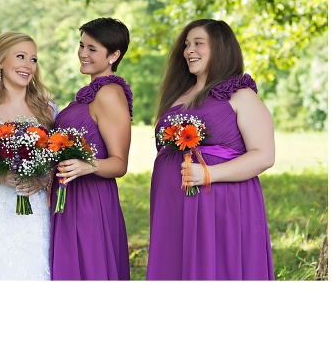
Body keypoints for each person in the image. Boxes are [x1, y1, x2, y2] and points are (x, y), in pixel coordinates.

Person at [146, 19, 275, 280]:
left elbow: (264, 155)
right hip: (172, 205)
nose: (188, 51)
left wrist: (208, 174)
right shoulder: (179, 96)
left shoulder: (240, 95)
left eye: (198, 43)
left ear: (220, 48)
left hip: (219, 204)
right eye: (186, 45)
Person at [0, 31, 57, 280]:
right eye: (21, 57)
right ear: (0, 61)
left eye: (33, 59)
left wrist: (41, 180)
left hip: (34, 207)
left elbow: (54, 162)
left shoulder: (46, 109)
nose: (28, 65)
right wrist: (0, 178)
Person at [49, 17, 132, 280]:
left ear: (114, 55)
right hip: (68, 195)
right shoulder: (90, 93)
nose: (83, 53)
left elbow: (120, 163)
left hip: (90, 200)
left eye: (92, 49)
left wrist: (87, 165)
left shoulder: (109, 94)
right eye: (82, 45)